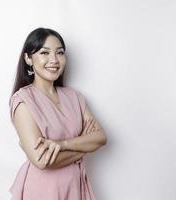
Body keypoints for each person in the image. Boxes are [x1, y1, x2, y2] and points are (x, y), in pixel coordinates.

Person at [9, 27, 107, 200]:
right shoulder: (23, 100)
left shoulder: (75, 97)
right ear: (28, 59)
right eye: (44, 53)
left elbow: (100, 138)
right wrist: (84, 146)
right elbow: (42, 161)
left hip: (75, 187)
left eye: (60, 53)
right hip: (43, 190)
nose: (54, 59)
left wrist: (60, 144)